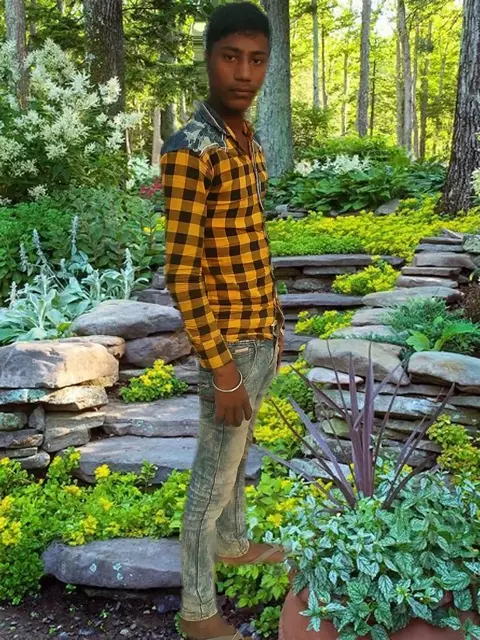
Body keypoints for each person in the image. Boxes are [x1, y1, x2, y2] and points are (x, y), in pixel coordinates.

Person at [160, 3, 285, 639]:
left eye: (257, 60)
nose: (244, 73)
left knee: (238, 457)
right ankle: (197, 611)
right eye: (230, 57)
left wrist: (274, 331)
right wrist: (223, 368)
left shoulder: (246, 138)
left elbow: (246, 239)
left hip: (261, 331)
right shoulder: (191, 149)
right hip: (228, 344)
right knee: (211, 477)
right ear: (208, 58)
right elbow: (183, 274)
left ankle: (233, 544)